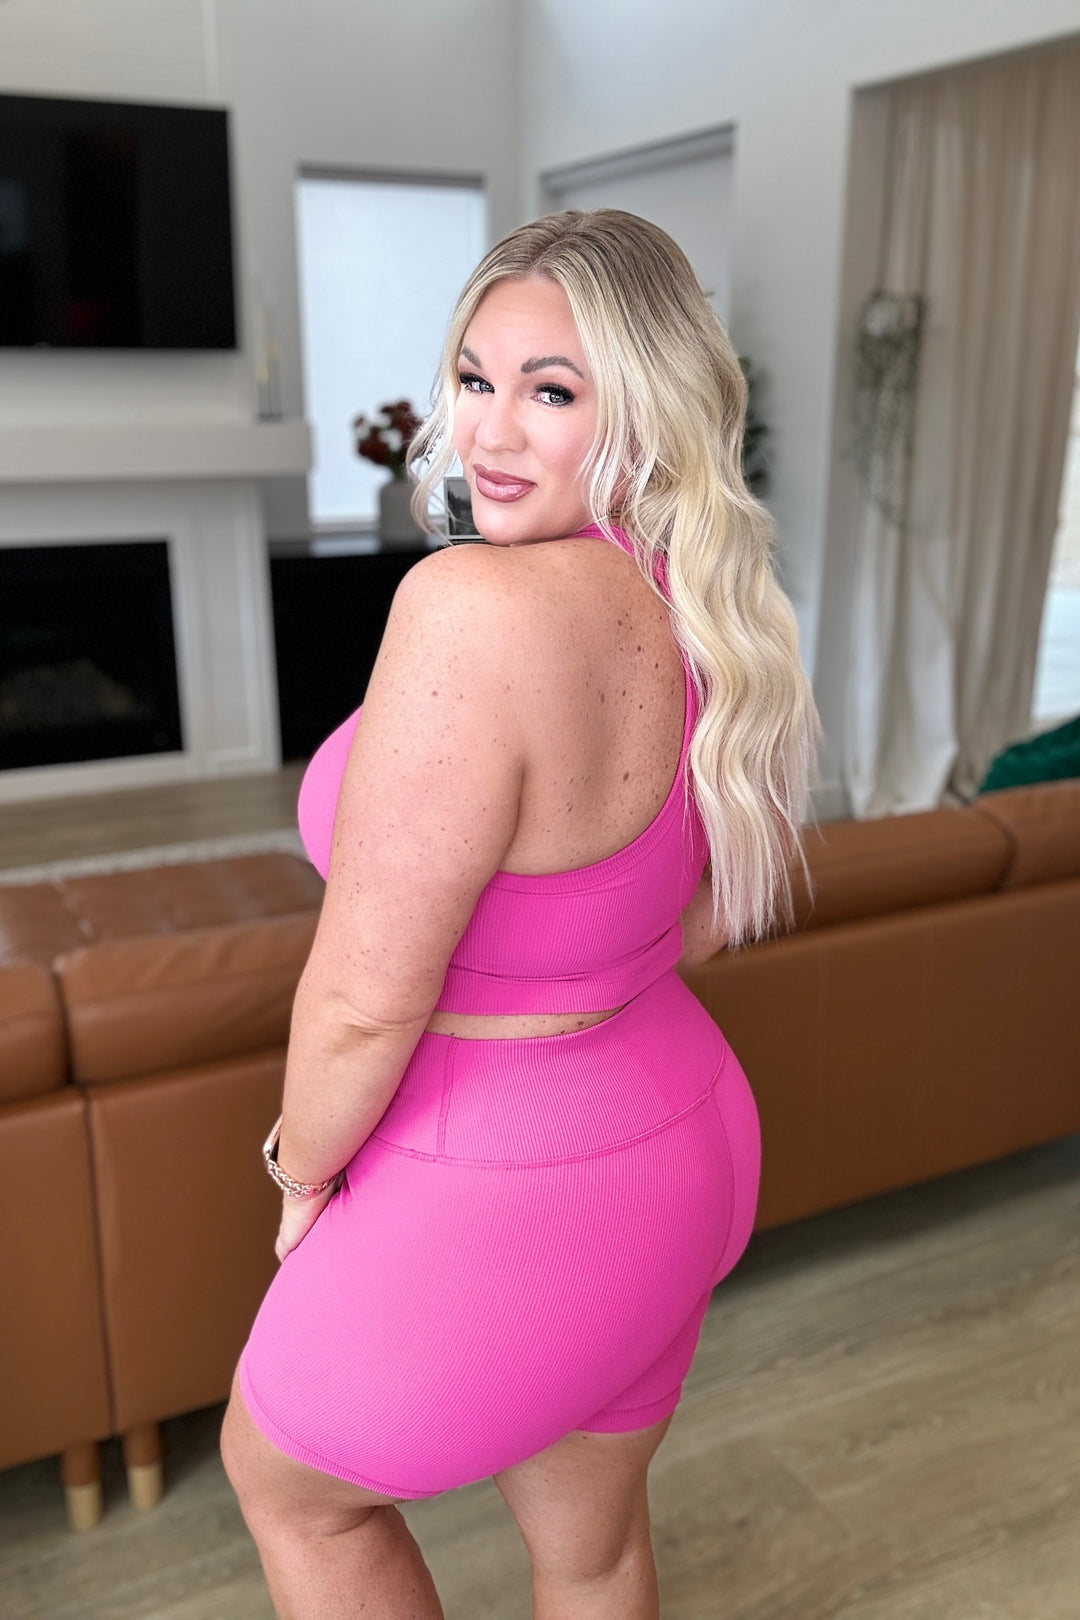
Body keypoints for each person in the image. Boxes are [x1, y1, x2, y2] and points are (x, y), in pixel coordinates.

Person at [220, 208, 822, 1620]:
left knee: (292, 1490)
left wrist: (302, 1175)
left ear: (651, 406)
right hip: (680, 1136)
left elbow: (362, 1001)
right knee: (592, 1551)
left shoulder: (467, 608)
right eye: (475, 377)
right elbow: (705, 912)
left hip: (512, 1172)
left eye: (552, 391)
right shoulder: (714, 602)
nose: (489, 432)